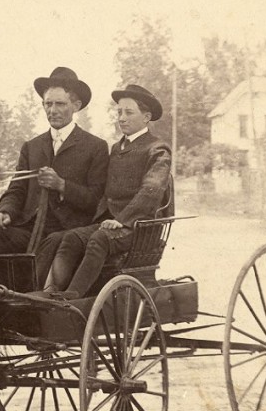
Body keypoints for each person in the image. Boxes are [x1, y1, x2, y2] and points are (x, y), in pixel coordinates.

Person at [0, 66, 109, 282]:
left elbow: (97, 200)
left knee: (51, 245)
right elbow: (16, 189)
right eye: (48, 103)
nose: (52, 110)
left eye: (60, 104)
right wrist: (6, 211)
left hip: (65, 231)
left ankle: (27, 300)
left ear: (76, 106)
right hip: (28, 229)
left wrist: (62, 186)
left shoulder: (95, 147)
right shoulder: (32, 146)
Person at [40, 84, 172, 297]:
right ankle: (50, 291)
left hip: (138, 227)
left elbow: (151, 190)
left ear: (146, 117)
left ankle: (73, 295)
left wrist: (123, 219)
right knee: (72, 237)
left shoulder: (157, 149)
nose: (121, 118)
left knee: (99, 239)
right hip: (112, 222)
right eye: (119, 112)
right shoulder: (117, 148)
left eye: (129, 112)